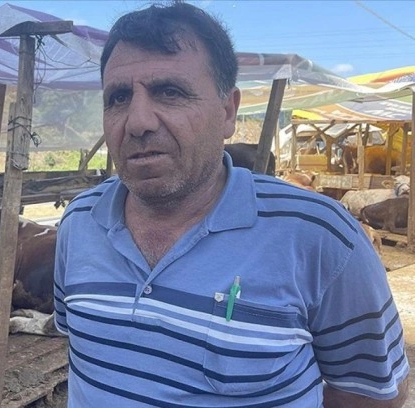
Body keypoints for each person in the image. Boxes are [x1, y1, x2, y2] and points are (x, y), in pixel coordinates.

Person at [53, 2, 409, 407]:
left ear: (227, 112)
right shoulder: (79, 221)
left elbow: (373, 394)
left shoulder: (319, 237)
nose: (138, 122)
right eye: (118, 97)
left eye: (170, 92)